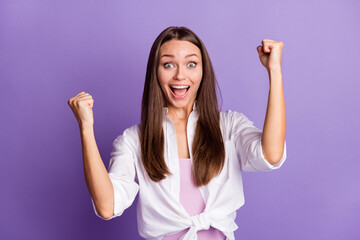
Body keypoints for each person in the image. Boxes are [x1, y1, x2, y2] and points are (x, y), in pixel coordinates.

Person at [67, 26, 287, 240]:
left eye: (191, 64)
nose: (180, 75)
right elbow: (107, 206)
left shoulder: (229, 126)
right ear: (156, 72)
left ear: (203, 72)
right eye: (168, 64)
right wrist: (86, 128)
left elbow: (271, 155)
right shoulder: (133, 140)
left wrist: (274, 71)